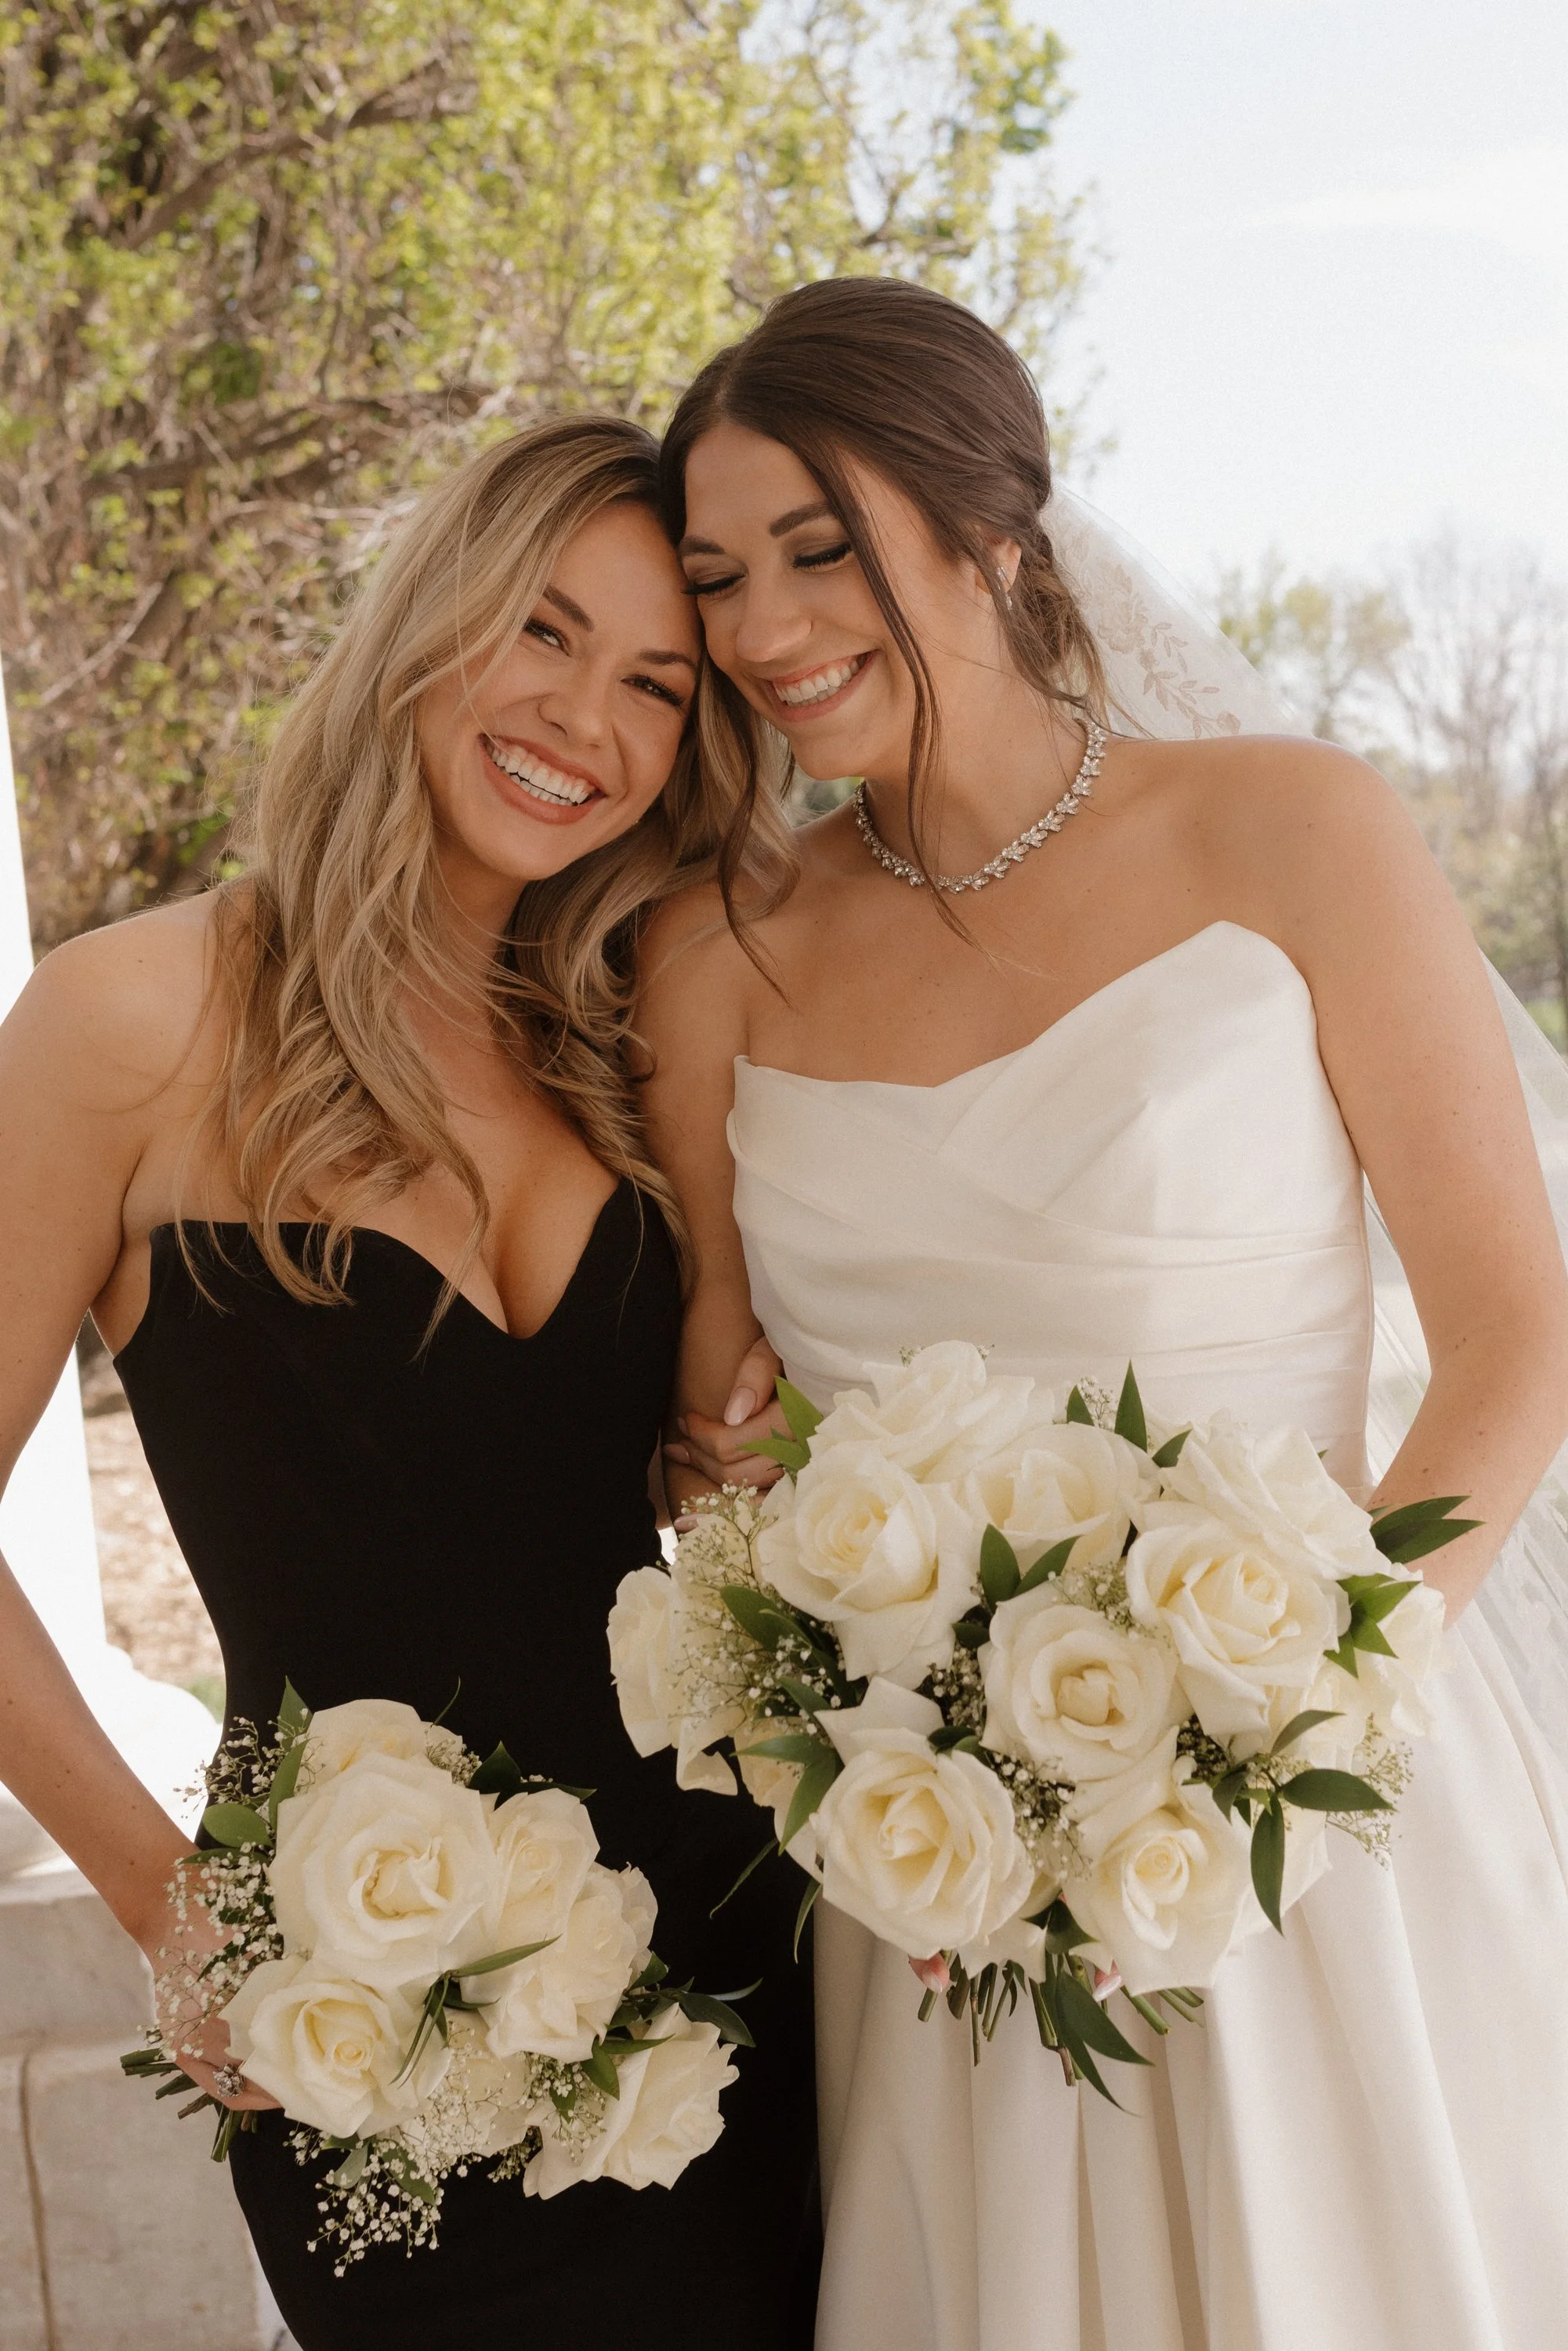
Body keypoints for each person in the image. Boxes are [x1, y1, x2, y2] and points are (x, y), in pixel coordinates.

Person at [643, 276, 1568, 2351]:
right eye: (716, 578)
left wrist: (1287, 1727)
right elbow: (718, 1429)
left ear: (994, 522)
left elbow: (1521, 1334)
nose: (765, 628)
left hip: (1328, 1797)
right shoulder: (723, 955)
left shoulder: (1288, 827)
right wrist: (843, 1702)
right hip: (939, 1855)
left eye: (817, 545)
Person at [0, 414, 817, 2348]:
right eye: (541, 632)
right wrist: (169, 1905)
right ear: (429, 618)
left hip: (734, 1974)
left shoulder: (631, 1024)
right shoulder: (135, 1019)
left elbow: (690, 1488)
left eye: (654, 685)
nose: (584, 722)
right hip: (369, 2011)